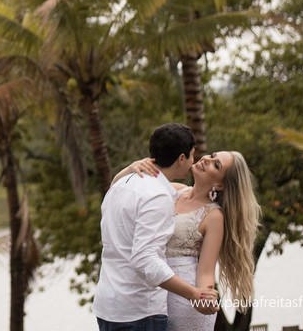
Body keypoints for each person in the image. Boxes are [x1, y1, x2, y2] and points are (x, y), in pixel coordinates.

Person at [112, 150, 261, 331]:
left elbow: (205, 271)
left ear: (220, 185)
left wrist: (203, 298)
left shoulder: (213, 215)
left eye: (216, 165)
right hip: (149, 296)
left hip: (185, 303)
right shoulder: (171, 189)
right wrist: (131, 168)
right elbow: (116, 190)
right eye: (212, 155)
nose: (207, 159)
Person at [94, 123, 219, 331]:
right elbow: (144, 258)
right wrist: (193, 293)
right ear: (181, 158)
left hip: (108, 307)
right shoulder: (158, 196)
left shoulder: (121, 184)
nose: (193, 162)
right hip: (139, 311)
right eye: (191, 156)